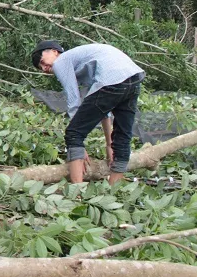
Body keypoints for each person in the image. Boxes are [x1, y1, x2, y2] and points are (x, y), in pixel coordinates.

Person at [31, 40, 144, 185]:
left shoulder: (62, 61)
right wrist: (109, 144)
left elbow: (73, 99)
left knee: (72, 133)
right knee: (123, 135)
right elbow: (104, 109)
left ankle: (77, 192)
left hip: (113, 79)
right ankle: (113, 191)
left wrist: (77, 140)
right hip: (133, 79)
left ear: (54, 51)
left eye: (42, 61)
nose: (44, 68)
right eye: (41, 68)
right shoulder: (83, 60)